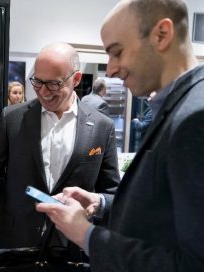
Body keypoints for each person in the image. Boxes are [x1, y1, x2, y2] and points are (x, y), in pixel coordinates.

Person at [36, 1, 204, 271]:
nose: (111, 69)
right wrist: (100, 202)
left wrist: (86, 235)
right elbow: (164, 211)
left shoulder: (195, 117)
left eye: (117, 52)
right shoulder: (178, 107)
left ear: (162, 35)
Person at [0, 42, 120, 254]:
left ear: (76, 79)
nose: (43, 92)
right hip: (17, 241)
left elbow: (110, 192)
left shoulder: (102, 126)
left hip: (71, 248)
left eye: (54, 84)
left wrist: (96, 208)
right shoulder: (13, 118)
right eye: (37, 81)